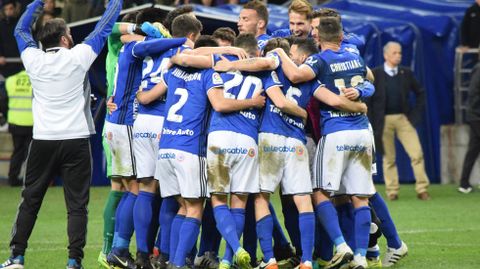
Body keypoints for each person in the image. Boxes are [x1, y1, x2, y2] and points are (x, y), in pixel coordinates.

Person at [0, 0, 122, 268]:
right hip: (76, 140)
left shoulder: (33, 59)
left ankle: (17, 256)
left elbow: (20, 30)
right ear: (66, 39)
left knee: (30, 200)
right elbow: (104, 27)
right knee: (77, 205)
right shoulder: (79, 56)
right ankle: (73, 262)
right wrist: (115, 1)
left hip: (43, 140)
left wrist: (36, 3)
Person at [370, 41, 431, 201]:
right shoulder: (375, 74)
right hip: (383, 122)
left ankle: (422, 188)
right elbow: (368, 99)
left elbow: (420, 93)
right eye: (395, 53)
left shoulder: (406, 73)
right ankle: (392, 191)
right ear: (386, 55)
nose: (398, 56)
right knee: (389, 158)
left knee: (416, 153)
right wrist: (373, 121)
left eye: (400, 53)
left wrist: (413, 116)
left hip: (403, 119)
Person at [4, 69, 32, 187]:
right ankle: (30, 180)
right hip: (33, 122)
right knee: (31, 153)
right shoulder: (36, 80)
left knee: (17, 151)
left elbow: (3, 100)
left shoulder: (11, 80)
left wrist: (5, 116)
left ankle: (13, 179)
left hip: (15, 122)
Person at [458, 51, 480, 194]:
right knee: (473, 149)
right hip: (476, 116)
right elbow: (473, 93)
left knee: (474, 149)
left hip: (475, 115)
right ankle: (464, 182)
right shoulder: (478, 69)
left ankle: (464, 183)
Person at [0, 0, 22, 78]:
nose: (8, 11)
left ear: (15, 9)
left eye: (11, 8)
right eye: (6, 9)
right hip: (5, 66)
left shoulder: (20, 24)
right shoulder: (1, 25)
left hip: (21, 65)